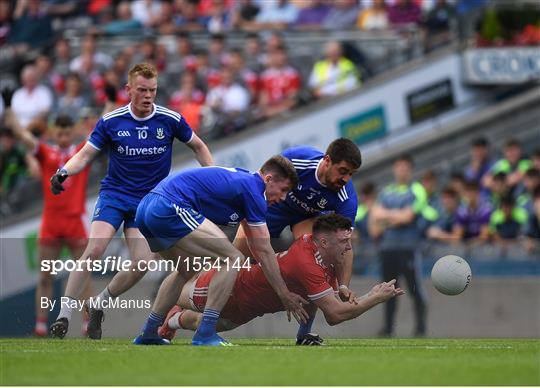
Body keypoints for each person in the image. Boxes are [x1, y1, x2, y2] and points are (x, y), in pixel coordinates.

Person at [49, 63, 214, 339]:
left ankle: (100, 303)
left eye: (152, 90)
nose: (148, 95)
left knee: (142, 262)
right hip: (115, 195)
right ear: (129, 90)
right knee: (95, 249)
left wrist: (212, 177)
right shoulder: (112, 121)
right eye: (142, 90)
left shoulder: (169, 119)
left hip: (148, 202)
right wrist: (64, 171)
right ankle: (64, 316)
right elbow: (86, 154)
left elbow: (198, 146)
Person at [133, 156, 307, 346]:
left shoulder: (245, 184)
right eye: (283, 190)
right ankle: (205, 332)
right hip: (168, 205)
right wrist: (283, 293)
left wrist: (278, 286)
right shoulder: (254, 191)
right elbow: (264, 249)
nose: (282, 198)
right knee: (233, 258)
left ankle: (149, 332)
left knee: (185, 271)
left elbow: (257, 246)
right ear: (269, 179)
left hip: (146, 208)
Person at [158, 214, 404, 342]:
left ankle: (172, 321)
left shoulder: (321, 252)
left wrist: (341, 287)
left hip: (249, 309)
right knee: (179, 289)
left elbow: (321, 298)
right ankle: (160, 313)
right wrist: (374, 297)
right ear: (324, 241)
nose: (349, 247)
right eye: (344, 241)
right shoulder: (307, 263)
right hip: (230, 288)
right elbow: (335, 315)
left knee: (218, 326)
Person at [233, 138, 362, 338]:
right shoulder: (298, 159)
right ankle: (189, 301)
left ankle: (304, 335)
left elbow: (345, 244)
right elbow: (261, 181)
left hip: (305, 218)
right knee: (233, 259)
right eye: (343, 171)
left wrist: (343, 285)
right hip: (275, 206)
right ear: (327, 161)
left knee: (316, 263)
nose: (346, 179)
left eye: (351, 174)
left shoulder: (346, 197)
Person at [5, 108, 96, 337]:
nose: (64, 137)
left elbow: (101, 130)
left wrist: (110, 102)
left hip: (75, 220)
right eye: (60, 133)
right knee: (45, 275)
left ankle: (87, 323)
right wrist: (8, 111)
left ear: (72, 133)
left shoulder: (80, 151)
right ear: (54, 133)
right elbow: (24, 138)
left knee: (83, 275)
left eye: (67, 133)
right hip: (52, 222)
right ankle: (41, 325)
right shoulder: (46, 153)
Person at [369, 154, 428, 337]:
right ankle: (387, 328)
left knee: (414, 288)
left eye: (405, 167)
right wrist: (397, 216)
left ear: (410, 169)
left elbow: (408, 217)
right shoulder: (386, 191)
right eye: (399, 166)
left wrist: (387, 217)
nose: (402, 170)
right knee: (387, 290)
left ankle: (420, 328)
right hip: (388, 248)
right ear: (394, 169)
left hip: (408, 247)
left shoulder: (417, 189)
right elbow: (375, 215)